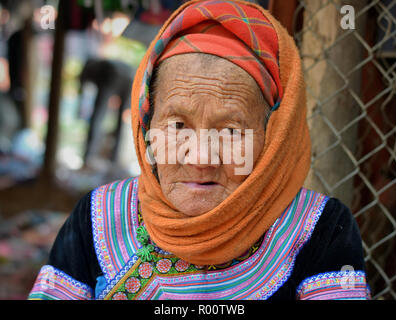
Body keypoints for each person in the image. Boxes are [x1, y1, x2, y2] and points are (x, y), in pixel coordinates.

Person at [28, 0, 371, 300]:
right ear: (147, 128)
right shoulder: (98, 217)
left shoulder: (320, 229)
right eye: (178, 126)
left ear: (273, 137)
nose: (201, 158)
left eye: (231, 131)